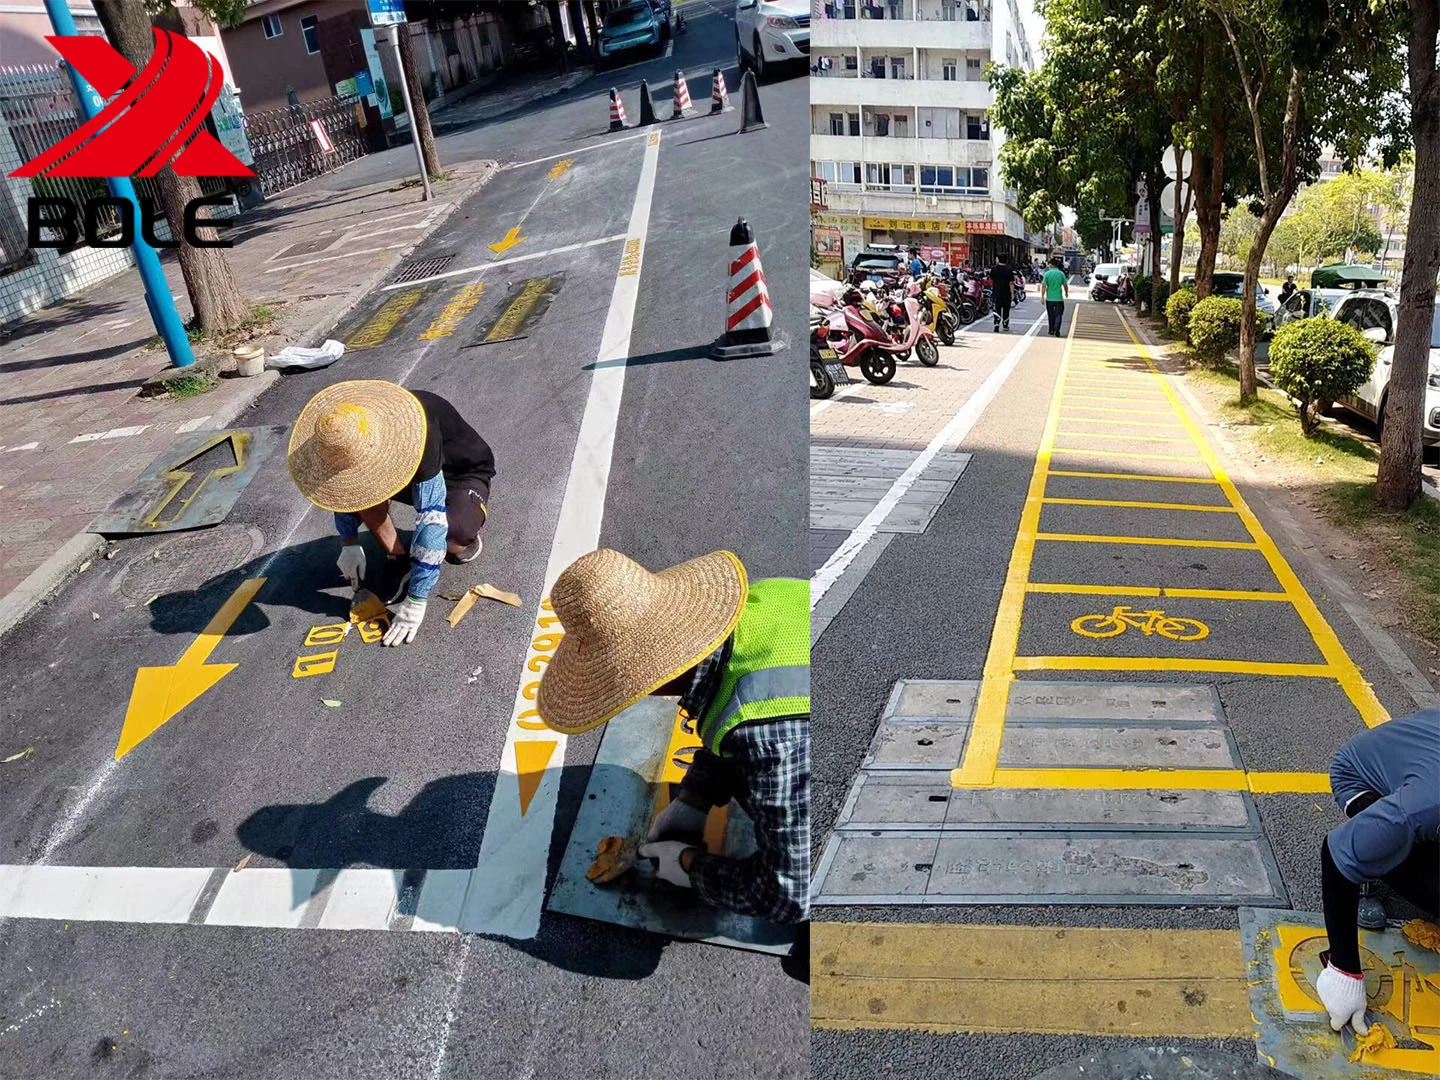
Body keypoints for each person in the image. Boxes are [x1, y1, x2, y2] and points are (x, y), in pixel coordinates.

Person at [536, 548, 810, 933]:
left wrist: (690, 867)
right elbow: (751, 688)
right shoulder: (771, 596)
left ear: (657, 674)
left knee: (801, 949)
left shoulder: (768, 743)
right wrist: (694, 797)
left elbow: (790, 895)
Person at [288, 380, 495, 647]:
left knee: (451, 538)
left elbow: (430, 518)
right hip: (396, 464)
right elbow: (341, 487)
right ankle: (398, 555)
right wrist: (348, 541)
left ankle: (457, 533)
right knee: (361, 490)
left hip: (459, 474)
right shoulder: (347, 425)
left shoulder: (418, 432)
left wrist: (416, 601)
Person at [1315, 709, 1439, 1035]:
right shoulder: (1425, 805)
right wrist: (1345, 971)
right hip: (1362, 777)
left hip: (1413, 759)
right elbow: (1338, 852)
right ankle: (1374, 870)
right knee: (1429, 885)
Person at [1042, 257, 1069, 336]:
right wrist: (1066, 292)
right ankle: (1057, 328)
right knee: (1059, 314)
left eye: (1049, 264)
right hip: (1059, 299)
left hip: (1049, 298)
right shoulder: (1061, 274)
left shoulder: (1047, 274)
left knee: (1050, 315)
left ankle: (1051, 330)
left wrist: (1042, 296)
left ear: (1051, 264)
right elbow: (1065, 285)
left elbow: (1044, 286)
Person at [989, 252, 1015, 332]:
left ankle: (996, 324)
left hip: (996, 292)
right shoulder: (1009, 269)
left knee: (997, 308)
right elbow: (1011, 283)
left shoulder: (994, 269)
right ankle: (1005, 324)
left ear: (998, 259)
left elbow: (991, 280)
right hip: (1006, 292)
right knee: (1006, 309)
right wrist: (1012, 293)